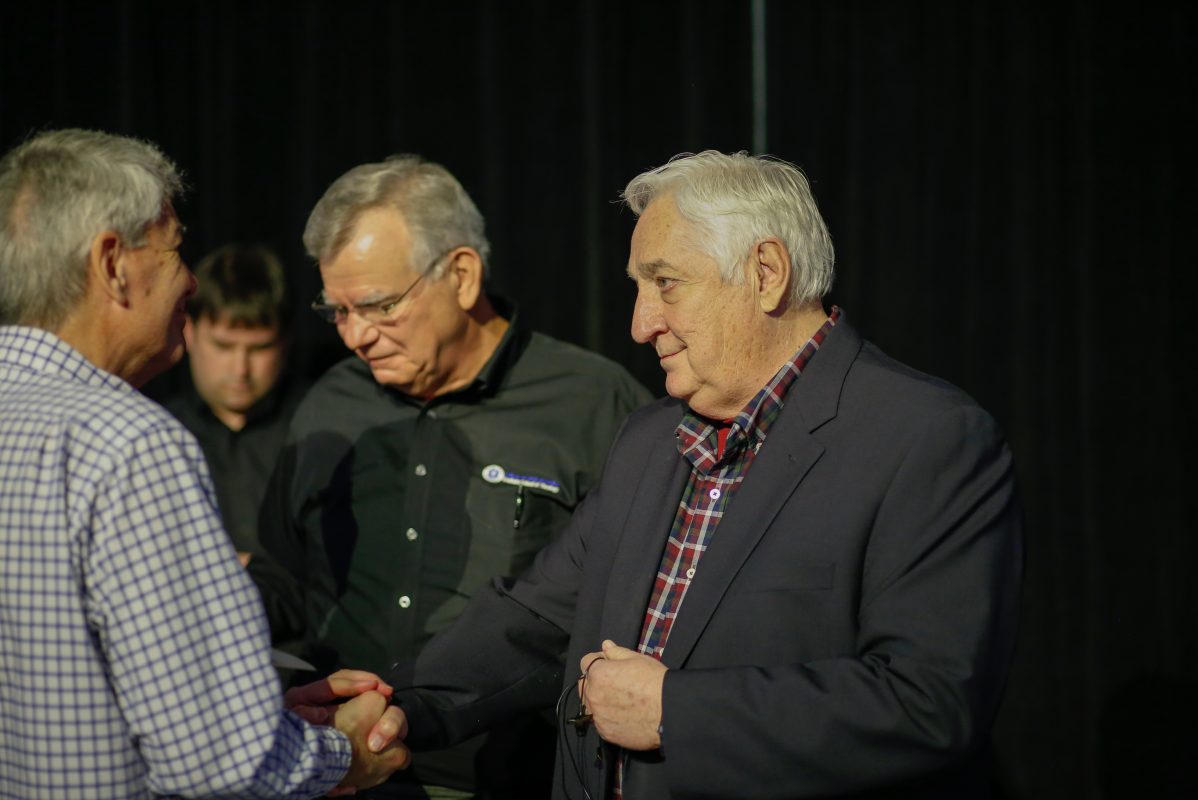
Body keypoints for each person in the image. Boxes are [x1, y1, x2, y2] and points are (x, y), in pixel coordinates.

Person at [369, 150, 1025, 798]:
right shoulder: (649, 439)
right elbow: (538, 621)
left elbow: (929, 703)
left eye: (665, 283)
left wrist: (674, 712)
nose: (639, 323)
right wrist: (390, 708)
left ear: (766, 272)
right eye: (637, 287)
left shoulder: (927, 439)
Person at [0, 128, 408, 798]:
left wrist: (258, 715)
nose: (189, 279)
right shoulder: (129, 444)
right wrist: (344, 757)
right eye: (174, 248)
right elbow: (217, 761)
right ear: (111, 263)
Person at [258, 155, 652, 799]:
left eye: (378, 305)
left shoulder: (594, 404)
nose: (355, 334)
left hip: (505, 779)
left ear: (462, 275)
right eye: (337, 312)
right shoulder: (329, 404)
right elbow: (286, 575)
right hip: (339, 773)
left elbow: (627, 606)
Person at [158, 244, 305, 624]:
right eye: (224, 346)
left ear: (285, 342)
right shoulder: (159, 433)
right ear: (188, 331)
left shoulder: (316, 429)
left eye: (259, 348)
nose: (240, 368)